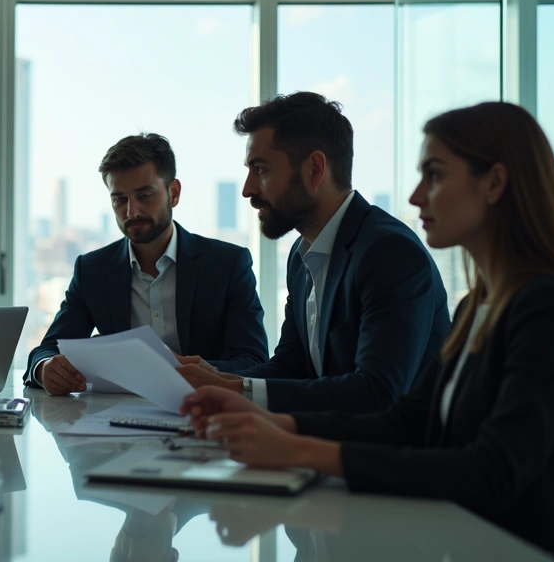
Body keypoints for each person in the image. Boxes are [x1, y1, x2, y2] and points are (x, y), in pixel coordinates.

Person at [180, 102, 554, 562]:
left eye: (435, 175)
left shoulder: (548, 307)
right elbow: (409, 421)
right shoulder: (479, 307)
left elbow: (491, 470)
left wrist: (297, 446)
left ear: (495, 183)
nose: (414, 197)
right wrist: (265, 416)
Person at [177, 92, 449, 414]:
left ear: (315, 169)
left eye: (260, 170)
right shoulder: (301, 254)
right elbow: (291, 368)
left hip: (388, 458)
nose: (248, 189)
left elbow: (377, 393)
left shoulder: (389, 253)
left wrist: (235, 388)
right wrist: (217, 377)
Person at [26, 133, 269, 395]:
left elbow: (254, 360)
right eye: (120, 199)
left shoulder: (227, 264)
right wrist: (46, 368)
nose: (132, 211)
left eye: (144, 195)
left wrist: (205, 373)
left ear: (173, 193)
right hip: (115, 420)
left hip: (206, 412)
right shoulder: (92, 270)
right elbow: (48, 349)